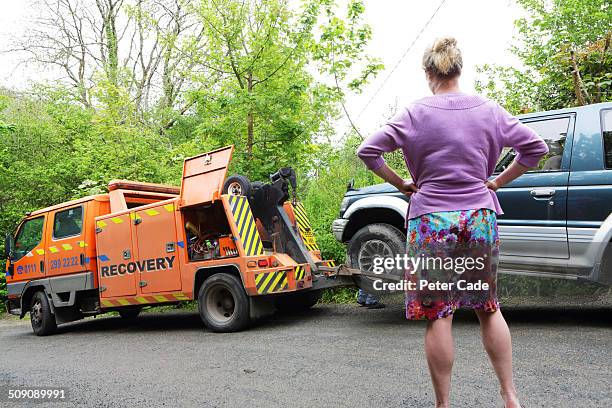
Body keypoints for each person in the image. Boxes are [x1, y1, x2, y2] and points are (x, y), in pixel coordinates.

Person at [357, 37, 547, 408]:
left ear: (429, 73)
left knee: (438, 314)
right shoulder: (489, 110)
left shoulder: (414, 114)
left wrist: (402, 184)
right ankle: (509, 395)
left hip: (430, 220)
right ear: (458, 70)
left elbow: (368, 151)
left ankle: (444, 404)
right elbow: (535, 148)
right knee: (488, 307)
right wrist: (496, 182)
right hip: (479, 217)